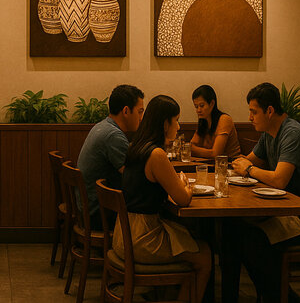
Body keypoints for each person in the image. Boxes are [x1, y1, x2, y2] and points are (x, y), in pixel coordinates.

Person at [225, 83, 300, 303]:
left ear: (269, 111)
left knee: (254, 241)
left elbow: (280, 180)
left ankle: (283, 298)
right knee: (233, 230)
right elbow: (246, 161)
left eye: (253, 112)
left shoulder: (292, 133)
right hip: (283, 213)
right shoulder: (268, 133)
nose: (250, 117)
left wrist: (249, 169)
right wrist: (233, 167)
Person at [113, 95, 212, 303]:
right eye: (176, 120)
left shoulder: (136, 147)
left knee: (189, 238)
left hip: (124, 234)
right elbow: (183, 199)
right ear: (165, 123)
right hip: (143, 239)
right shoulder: (156, 154)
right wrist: (185, 183)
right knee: (204, 256)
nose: (178, 125)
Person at [77, 84, 144, 231]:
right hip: (99, 214)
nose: (141, 118)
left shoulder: (103, 126)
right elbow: (132, 177)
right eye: (140, 112)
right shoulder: (113, 135)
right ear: (126, 111)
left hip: (88, 208)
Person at [189, 85, 241, 159]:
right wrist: (192, 148)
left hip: (231, 164)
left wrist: (193, 149)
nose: (198, 110)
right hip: (211, 164)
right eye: (196, 106)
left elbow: (216, 154)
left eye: (202, 105)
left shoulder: (224, 119)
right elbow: (192, 145)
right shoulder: (203, 121)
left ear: (212, 103)